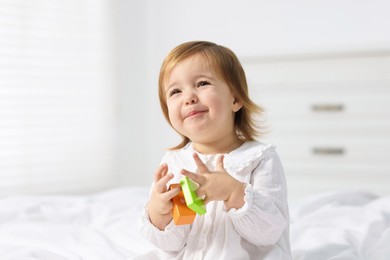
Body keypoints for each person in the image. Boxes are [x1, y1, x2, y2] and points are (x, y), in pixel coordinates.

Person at [139, 41, 291, 259]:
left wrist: (233, 192)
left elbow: (269, 232)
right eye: (175, 91)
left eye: (202, 83)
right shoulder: (174, 164)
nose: (188, 97)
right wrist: (159, 213)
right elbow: (171, 244)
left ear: (236, 98)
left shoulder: (260, 158)